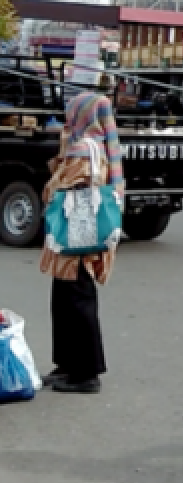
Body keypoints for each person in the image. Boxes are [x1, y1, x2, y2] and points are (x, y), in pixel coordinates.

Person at [39, 91, 124, 394]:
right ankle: (67, 365)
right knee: (65, 299)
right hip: (82, 234)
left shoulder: (82, 147)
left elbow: (64, 185)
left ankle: (86, 372)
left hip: (75, 234)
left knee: (76, 299)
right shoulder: (97, 146)